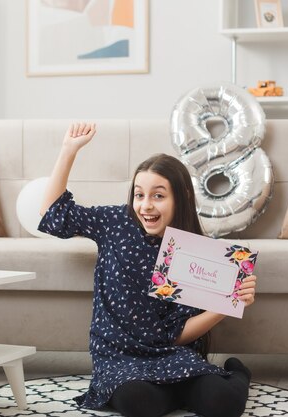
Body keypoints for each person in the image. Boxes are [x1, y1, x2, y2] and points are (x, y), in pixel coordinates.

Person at [39, 122, 257, 417]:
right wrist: (68, 151)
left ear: (181, 198)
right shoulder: (115, 221)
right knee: (139, 403)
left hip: (172, 354)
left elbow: (175, 335)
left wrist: (226, 305)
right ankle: (174, 392)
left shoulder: (194, 252)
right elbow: (53, 217)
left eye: (158, 195)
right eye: (139, 194)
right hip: (120, 359)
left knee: (224, 404)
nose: (145, 205)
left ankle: (236, 373)